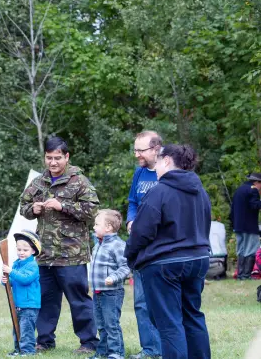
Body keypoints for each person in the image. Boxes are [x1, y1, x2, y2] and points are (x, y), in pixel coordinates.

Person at [125, 144, 212, 359]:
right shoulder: (200, 191)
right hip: (198, 259)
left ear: (166, 161)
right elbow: (206, 223)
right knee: (193, 317)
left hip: (164, 264)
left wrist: (130, 255)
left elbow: (141, 231)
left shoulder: (159, 191)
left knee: (169, 323)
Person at [20, 136, 100, 354]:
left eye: (57, 158)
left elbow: (92, 210)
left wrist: (62, 205)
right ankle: (44, 341)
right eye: (49, 158)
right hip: (44, 253)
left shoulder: (79, 181)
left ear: (67, 157)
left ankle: (89, 342)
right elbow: (23, 206)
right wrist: (32, 210)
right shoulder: (38, 182)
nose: (53, 162)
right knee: (46, 300)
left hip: (71, 254)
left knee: (79, 300)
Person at [125, 131, 163, 359]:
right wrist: (130, 220)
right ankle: (149, 349)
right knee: (140, 302)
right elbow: (132, 202)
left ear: (156, 148)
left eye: (141, 150)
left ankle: (165, 347)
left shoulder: (168, 174)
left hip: (161, 247)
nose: (137, 154)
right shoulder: (139, 174)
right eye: (135, 150)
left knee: (162, 301)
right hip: (140, 248)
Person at [89, 209, 130, 359]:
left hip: (112, 293)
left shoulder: (118, 245)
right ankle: (103, 351)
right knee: (101, 325)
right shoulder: (98, 244)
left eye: (96, 224)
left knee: (111, 324)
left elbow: (126, 266)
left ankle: (116, 352)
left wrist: (114, 277)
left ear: (108, 227)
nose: (93, 227)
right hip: (98, 291)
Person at [1, 229, 42, 357]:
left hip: (29, 305)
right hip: (18, 304)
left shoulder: (32, 266)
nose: (21, 253)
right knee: (17, 329)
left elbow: (25, 279)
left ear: (33, 251)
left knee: (27, 330)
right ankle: (18, 349)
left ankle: (28, 351)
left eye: (25, 250)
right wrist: (6, 280)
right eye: (19, 250)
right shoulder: (16, 264)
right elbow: (14, 280)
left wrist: (11, 272)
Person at [230, 172, 261, 280]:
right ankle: (246, 275)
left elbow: (232, 209)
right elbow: (254, 205)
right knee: (251, 249)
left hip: (238, 225)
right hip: (249, 226)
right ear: (257, 182)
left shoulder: (239, 190)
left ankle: (240, 275)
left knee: (241, 250)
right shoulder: (253, 190)